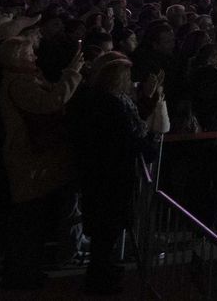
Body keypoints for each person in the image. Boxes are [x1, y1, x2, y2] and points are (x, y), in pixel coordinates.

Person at [0, 33, 84, 291]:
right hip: (28, 159)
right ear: (17, 57)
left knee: (32, 219)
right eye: (29, 53)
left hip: (35, 159)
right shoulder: (19, 84)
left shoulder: (26, 79)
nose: (35, 57)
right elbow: (49, 102)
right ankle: (22, 274)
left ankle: (27, 270)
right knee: (28, 221)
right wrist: (71, 74)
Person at [72, 55, 159, 294]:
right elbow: (124, 139)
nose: (130, 80)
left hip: (102, 173)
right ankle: (99, 278)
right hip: (108, 175)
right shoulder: (108, 105)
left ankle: (104, 269)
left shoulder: (100, 100)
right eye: (126, 75)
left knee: (106, 229)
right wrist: (145, 145)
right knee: (105, 228)